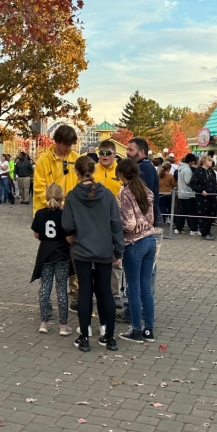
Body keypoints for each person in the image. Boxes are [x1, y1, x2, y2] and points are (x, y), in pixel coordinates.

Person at [61, 156, 124, 352]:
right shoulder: (106, 195)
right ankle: (110, 337)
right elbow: (116, 223)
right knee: (105, 291)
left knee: (85, 292)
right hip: (104, 249)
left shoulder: (72, 196)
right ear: (94, 171)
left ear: (77, 173)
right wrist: (118, 249)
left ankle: (84, 337)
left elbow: (67, 225)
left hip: (81, 250)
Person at [115, 158, 157, 343]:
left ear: (122, 174)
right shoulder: (146, 191)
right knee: (146, 287)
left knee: (133, 288)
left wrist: (118, 228)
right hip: (150, 240)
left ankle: (136, 330)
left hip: (134, 243)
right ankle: (149, 328)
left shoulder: (126, 192)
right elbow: (151, 218)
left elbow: (129, 223)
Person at [31, 183, 73, 336]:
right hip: (62, 254)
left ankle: (44, 322)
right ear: (62, 198)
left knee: (45, 288)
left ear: (46, 196)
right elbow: (69, 239)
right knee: (61, 289)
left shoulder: (41, 213)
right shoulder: (65, 215)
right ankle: (63, 326)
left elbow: (36, 235)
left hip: (45, 254)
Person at [92, 140, 126, 327]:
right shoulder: (93, 170)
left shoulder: (120, 172)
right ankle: (90, 291)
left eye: (108, 152)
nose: (105, 155)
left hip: (115, 221)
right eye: (102, 152)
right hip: (94, 222)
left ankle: (115, 293)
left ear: (115, 154)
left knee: (115, 259)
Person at [33, 125, 80, 214]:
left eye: (70, 144)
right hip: (48, 211)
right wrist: (57, 204)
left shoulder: (77, 159)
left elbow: (81, 184)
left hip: (71, 210)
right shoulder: (42, 161)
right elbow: (39, 188)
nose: (68, 147)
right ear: (57, 141)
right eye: (65, 144)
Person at [191, 156, 217, 240]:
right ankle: (204, 232)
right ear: (204, 162)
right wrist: (200, 191)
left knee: (212, 213)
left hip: (212, 195)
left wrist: (216, 194)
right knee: (203, 213)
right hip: (202, 197)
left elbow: (214, 184)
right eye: (209, 161)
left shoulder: (212, 172)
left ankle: (208, 230)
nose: (211, 162)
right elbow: (192, 184)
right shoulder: (198, 172)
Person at [173, 154, 199, 234]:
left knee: (181, 212)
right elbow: (188, 181)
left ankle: (178, 228)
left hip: (182, 193)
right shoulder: (187, 170)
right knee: (193, 212)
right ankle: (193, 229)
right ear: (191, 161)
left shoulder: (180, 168)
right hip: (188, 193)